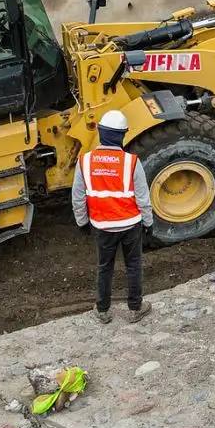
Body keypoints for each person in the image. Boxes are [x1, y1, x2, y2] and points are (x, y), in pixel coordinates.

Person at [71, 110, 155, 325]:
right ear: (123, 135)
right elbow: (143, 197)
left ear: (100, 132)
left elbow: (78, 197)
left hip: (102, 226)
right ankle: (135, 309)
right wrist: (148, 222)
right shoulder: (131, 162)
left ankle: (102, 310)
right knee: (134, 265)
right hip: (131, 225)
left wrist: (82, 222)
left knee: (104, 267)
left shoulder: (85, 162)